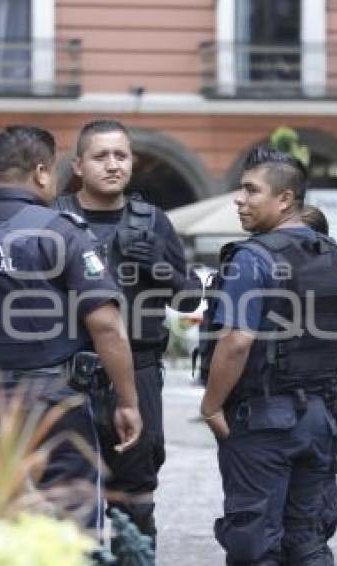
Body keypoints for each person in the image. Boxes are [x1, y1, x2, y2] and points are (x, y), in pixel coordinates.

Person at [0, 125, 142, 530]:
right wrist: (128, 403)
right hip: (55, 407)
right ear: (41, 172)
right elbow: (107, 327)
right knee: (72, 530)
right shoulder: (62, 232)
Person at [200, 147, 337, 565]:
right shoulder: (335, 255)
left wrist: (211, 405)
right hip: (321, 418)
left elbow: (237, 340)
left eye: (250, 190)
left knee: (255, 545)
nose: (239, 199)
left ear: (285, 199)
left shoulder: (251, 258)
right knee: (308, 541)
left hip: (262, 421)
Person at [53, 119, 201, 546]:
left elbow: (190, 301)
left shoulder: (153, 222)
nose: (113, 165)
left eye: (121, 155)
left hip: (138, 371)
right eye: (101, 156)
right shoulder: (52, 219)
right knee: (67, 502)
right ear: (79, 165)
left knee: (136, 500)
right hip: (67, 375)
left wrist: (161, 267)